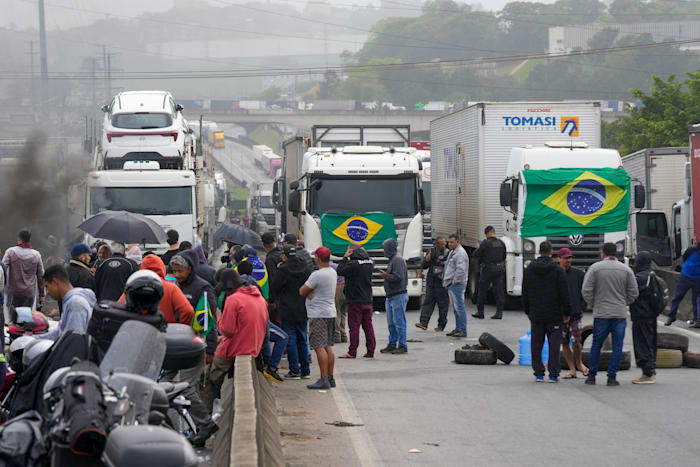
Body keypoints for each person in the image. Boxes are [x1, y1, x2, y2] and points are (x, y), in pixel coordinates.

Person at [169, 251, 219, 446]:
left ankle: (204, 425)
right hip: (175, 345)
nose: (177, 274)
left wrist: (210, 350)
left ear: (190, 268)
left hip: (194, 346)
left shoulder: (203, 288)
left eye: (180, 271)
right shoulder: (175, 286)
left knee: (187, 387)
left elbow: (210, 320)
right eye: (174, 271)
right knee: (171, 386)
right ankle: (195, 428)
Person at [202, 269, 268, 412]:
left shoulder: (234, 299)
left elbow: (228, 330)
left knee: (206, 378)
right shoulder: (258, 297)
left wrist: (218, 317)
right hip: (253, 347)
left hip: (236, 349)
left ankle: (204, 421)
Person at [582, 243, 639, 386]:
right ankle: (612, 377)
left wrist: (594, 304)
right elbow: (634, 292)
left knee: (596, 345)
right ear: (616, 254)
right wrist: (623, 302)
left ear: (603, 253)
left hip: (601, 313)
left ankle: (592, 376)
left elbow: (586, 290)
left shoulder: (595, 268)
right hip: (619, 314)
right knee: (617, 346)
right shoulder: (626, 270)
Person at [522, 241, 570, 382]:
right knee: (554, 345)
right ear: (551, 253)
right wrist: (566, 312)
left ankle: (538, 373)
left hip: (536, 313)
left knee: (536, 344)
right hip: (554, 314)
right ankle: (554, 374)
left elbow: (525, 292)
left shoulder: (530, 269)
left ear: (538, 252)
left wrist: (527, 310)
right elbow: (564, 293)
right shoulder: (557, 270)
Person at [271, 245, 312, 379]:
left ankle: (294, 370)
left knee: (291, 340)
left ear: (285, 256)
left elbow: (275, 287)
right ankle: (305, 370)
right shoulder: (305, 267)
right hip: (303, 307)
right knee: (302, 338)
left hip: (287, 308)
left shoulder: (283, 269)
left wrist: (271, 301)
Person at [117, 254, 194, 325]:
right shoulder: (171, 288)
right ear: (162, 268)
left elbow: (118, 308)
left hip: (139, 333)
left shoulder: (135, 287)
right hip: (165, 334)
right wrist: (180, 328)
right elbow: (188, 311)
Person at [300, 247, 338, 390]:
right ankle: (330, 377)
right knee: (327, 346)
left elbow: (302, 290)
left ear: (318, 259)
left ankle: (323, 379)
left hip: (318, 314)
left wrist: (309, 290)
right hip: (330, 312)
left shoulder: (317, 274)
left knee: (318, 347)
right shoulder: (332, 272)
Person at [336, 243, 376, 359]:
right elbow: (367, 258)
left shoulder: (352, 264)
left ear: (351, 251)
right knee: (368, 326)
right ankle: (370, 350)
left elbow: (340, 270)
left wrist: (344, 257)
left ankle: (352, 351)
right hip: (367, 299)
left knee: (354, 327)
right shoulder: (370, 263)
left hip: (355, 300)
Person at [38, 265, 96, 341]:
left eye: (47, 286)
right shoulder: (70, 301)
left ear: (55, 282)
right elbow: (60, 332)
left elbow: (73, 341)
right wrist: (33, 339)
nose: (47, 292)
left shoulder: (75, 304)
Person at [630, 251, 661, 384]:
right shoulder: (653, 275)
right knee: (651, 341)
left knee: (642, 343)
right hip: (651, 315)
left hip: (640, 315)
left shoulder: (639, 278)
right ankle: (650, 369)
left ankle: (647, 373)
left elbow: (631, 294)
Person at [557, 248, 588, 379]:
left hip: (575, 314)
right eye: (565, 258)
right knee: (564, 342)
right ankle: (572, 369)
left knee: (576, 341)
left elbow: (585, 292)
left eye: (569, 257)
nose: (568, 260)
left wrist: (582, 307)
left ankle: (579, 363)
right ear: (559, 259)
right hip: (560, 315)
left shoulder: (578, 274)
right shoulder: (555, 274)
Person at [3, 229, 45, 319]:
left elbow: (1, 270)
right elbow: (41, 276)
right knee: (25, 320)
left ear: (19, 239)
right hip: (29, 293)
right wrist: (42, 295)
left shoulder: (10, 252)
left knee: (12, 320)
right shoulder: (36, 255)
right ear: (30, 240)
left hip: (13, 291)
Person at [379, 238, 409, 353]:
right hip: (391, 295)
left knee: (399, 322)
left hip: (398, 295)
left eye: (385, 249)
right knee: (391, 322)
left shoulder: (397, 260)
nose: (384, 251)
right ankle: (392, 343)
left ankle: (402, 345)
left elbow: (398, 277)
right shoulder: (392, 259)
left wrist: (386, 276)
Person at [472, 226, 507, 320]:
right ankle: (499, 313)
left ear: (487, 234)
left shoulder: (485, 243)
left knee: (482, 290)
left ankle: (480, 312)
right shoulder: (501, 243)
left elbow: (476, 254)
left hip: (488, 269)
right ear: (494, 232)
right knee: (499, 291)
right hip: (499, 268)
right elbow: (504, 255)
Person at [416, 237, 449, 331]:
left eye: (444, 244)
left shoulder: (447, 253)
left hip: (442, 284)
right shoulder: (431, 252)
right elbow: (423, 266)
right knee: (427, 303)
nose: (443, 246)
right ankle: (423, 323)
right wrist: (427, 260)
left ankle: (441, 325)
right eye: (441, 244)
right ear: (436, 244)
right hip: (431, 282)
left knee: (443, 306)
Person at [666, 241, 700, 327]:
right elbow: (684, 258)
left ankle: (697, 320)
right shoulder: (691, 250)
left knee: (696, 300)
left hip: (698, 280)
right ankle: (671, 316)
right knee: (676, 297)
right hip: (685, 277)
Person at [443, 234, 469, 338]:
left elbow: (461, 270)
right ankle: (458, 328)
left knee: (459, 307)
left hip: (457, 285)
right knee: (456, 308)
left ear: (457, 242)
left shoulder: (460, 253)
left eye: (452, 242)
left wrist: (453, 282)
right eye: (449, 242)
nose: (450, 244)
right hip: (452, 284)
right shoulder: (453, 252)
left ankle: (462, 329)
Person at [332, 263, 348, 344]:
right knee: (343, 313)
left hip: (338, 287)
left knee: (337, 311)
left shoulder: (329, 266)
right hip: (346, 286)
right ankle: (343, 335)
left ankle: (337, 335)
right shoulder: (337, 265)